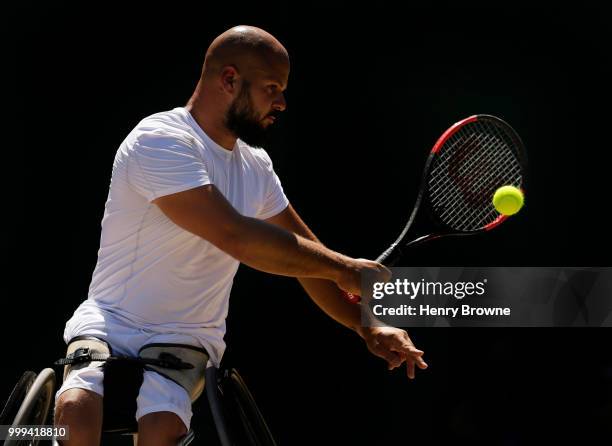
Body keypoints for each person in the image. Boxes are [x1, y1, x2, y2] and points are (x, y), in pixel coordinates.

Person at [54, 25, 428, 445]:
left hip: (187, 336)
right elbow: (236, 236)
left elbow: (308, 261)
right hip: (111, 320)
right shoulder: (159, 140)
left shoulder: (257, 168)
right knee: (74, 414)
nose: (283, 102)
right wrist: (346, 269)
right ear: (229, 80)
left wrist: (367, 326)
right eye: (272, 88)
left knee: (160, 429)